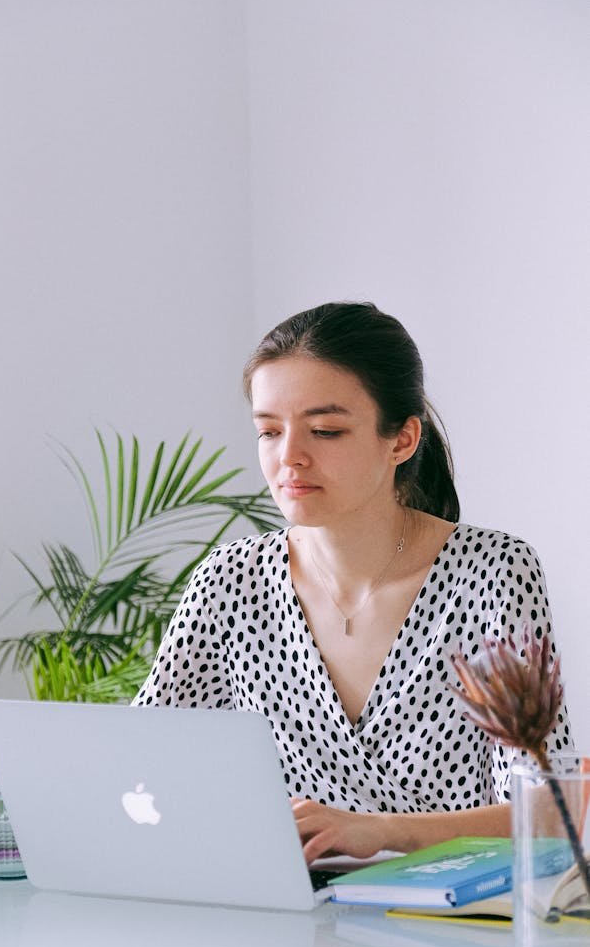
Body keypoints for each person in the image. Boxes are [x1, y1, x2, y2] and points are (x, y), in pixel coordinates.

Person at [134, 301, 572, 864]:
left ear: (402, 440)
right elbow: (139, 766)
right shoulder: (230, 579)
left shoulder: (492, 571)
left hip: (452, 928)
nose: (289, 457)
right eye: (268, 432)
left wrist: (381, 831)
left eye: (326, 430)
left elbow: (549, 811)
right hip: (287, 924)